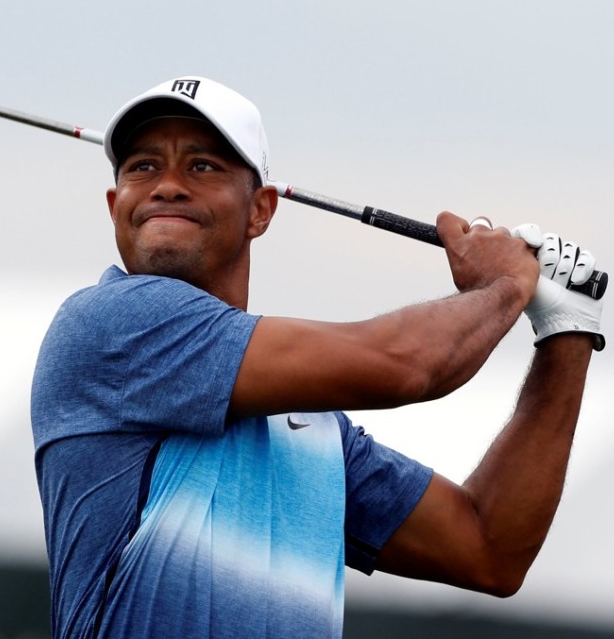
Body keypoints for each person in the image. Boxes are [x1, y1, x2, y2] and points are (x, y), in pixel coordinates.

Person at [30, 76, 604, 639]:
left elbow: (488, 549)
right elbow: (409, 364)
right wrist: (507, 283)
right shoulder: (110, 325)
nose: (167, 186)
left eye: (202, 166)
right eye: (143, 166)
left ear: (261, 210)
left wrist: (565, 330)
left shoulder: (312, 430)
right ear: (114, 204)